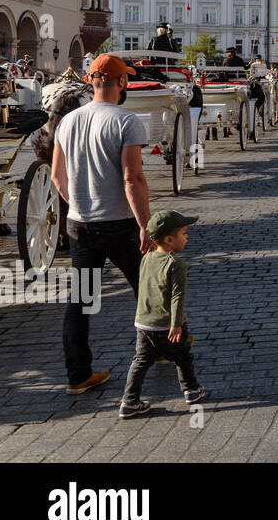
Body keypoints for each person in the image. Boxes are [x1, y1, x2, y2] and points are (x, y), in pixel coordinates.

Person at [50, 54, 152, 395]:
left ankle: (78, 375)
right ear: (121, 82)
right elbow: (132, 178)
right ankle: (164, 349)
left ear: (91, 81)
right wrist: (144, 225)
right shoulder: (126, 121)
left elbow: (56, 176)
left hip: (80, 223)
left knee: (82, 301)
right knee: (149, 287)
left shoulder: (68, 121)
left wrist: (79, 203)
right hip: (119, 223)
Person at [119, 210, 206, 418]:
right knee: (183, 356)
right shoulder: (176, 264)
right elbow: (177, 297)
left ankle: (129, 401)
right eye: (184, 233)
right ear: (169, 239)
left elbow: (144, 289)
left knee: (140, 361)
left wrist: (141, 319)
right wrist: (176, 324)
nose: (187, 237)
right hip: (168, 324)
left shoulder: (146, 259)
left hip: (144, 323)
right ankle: (191, 390)